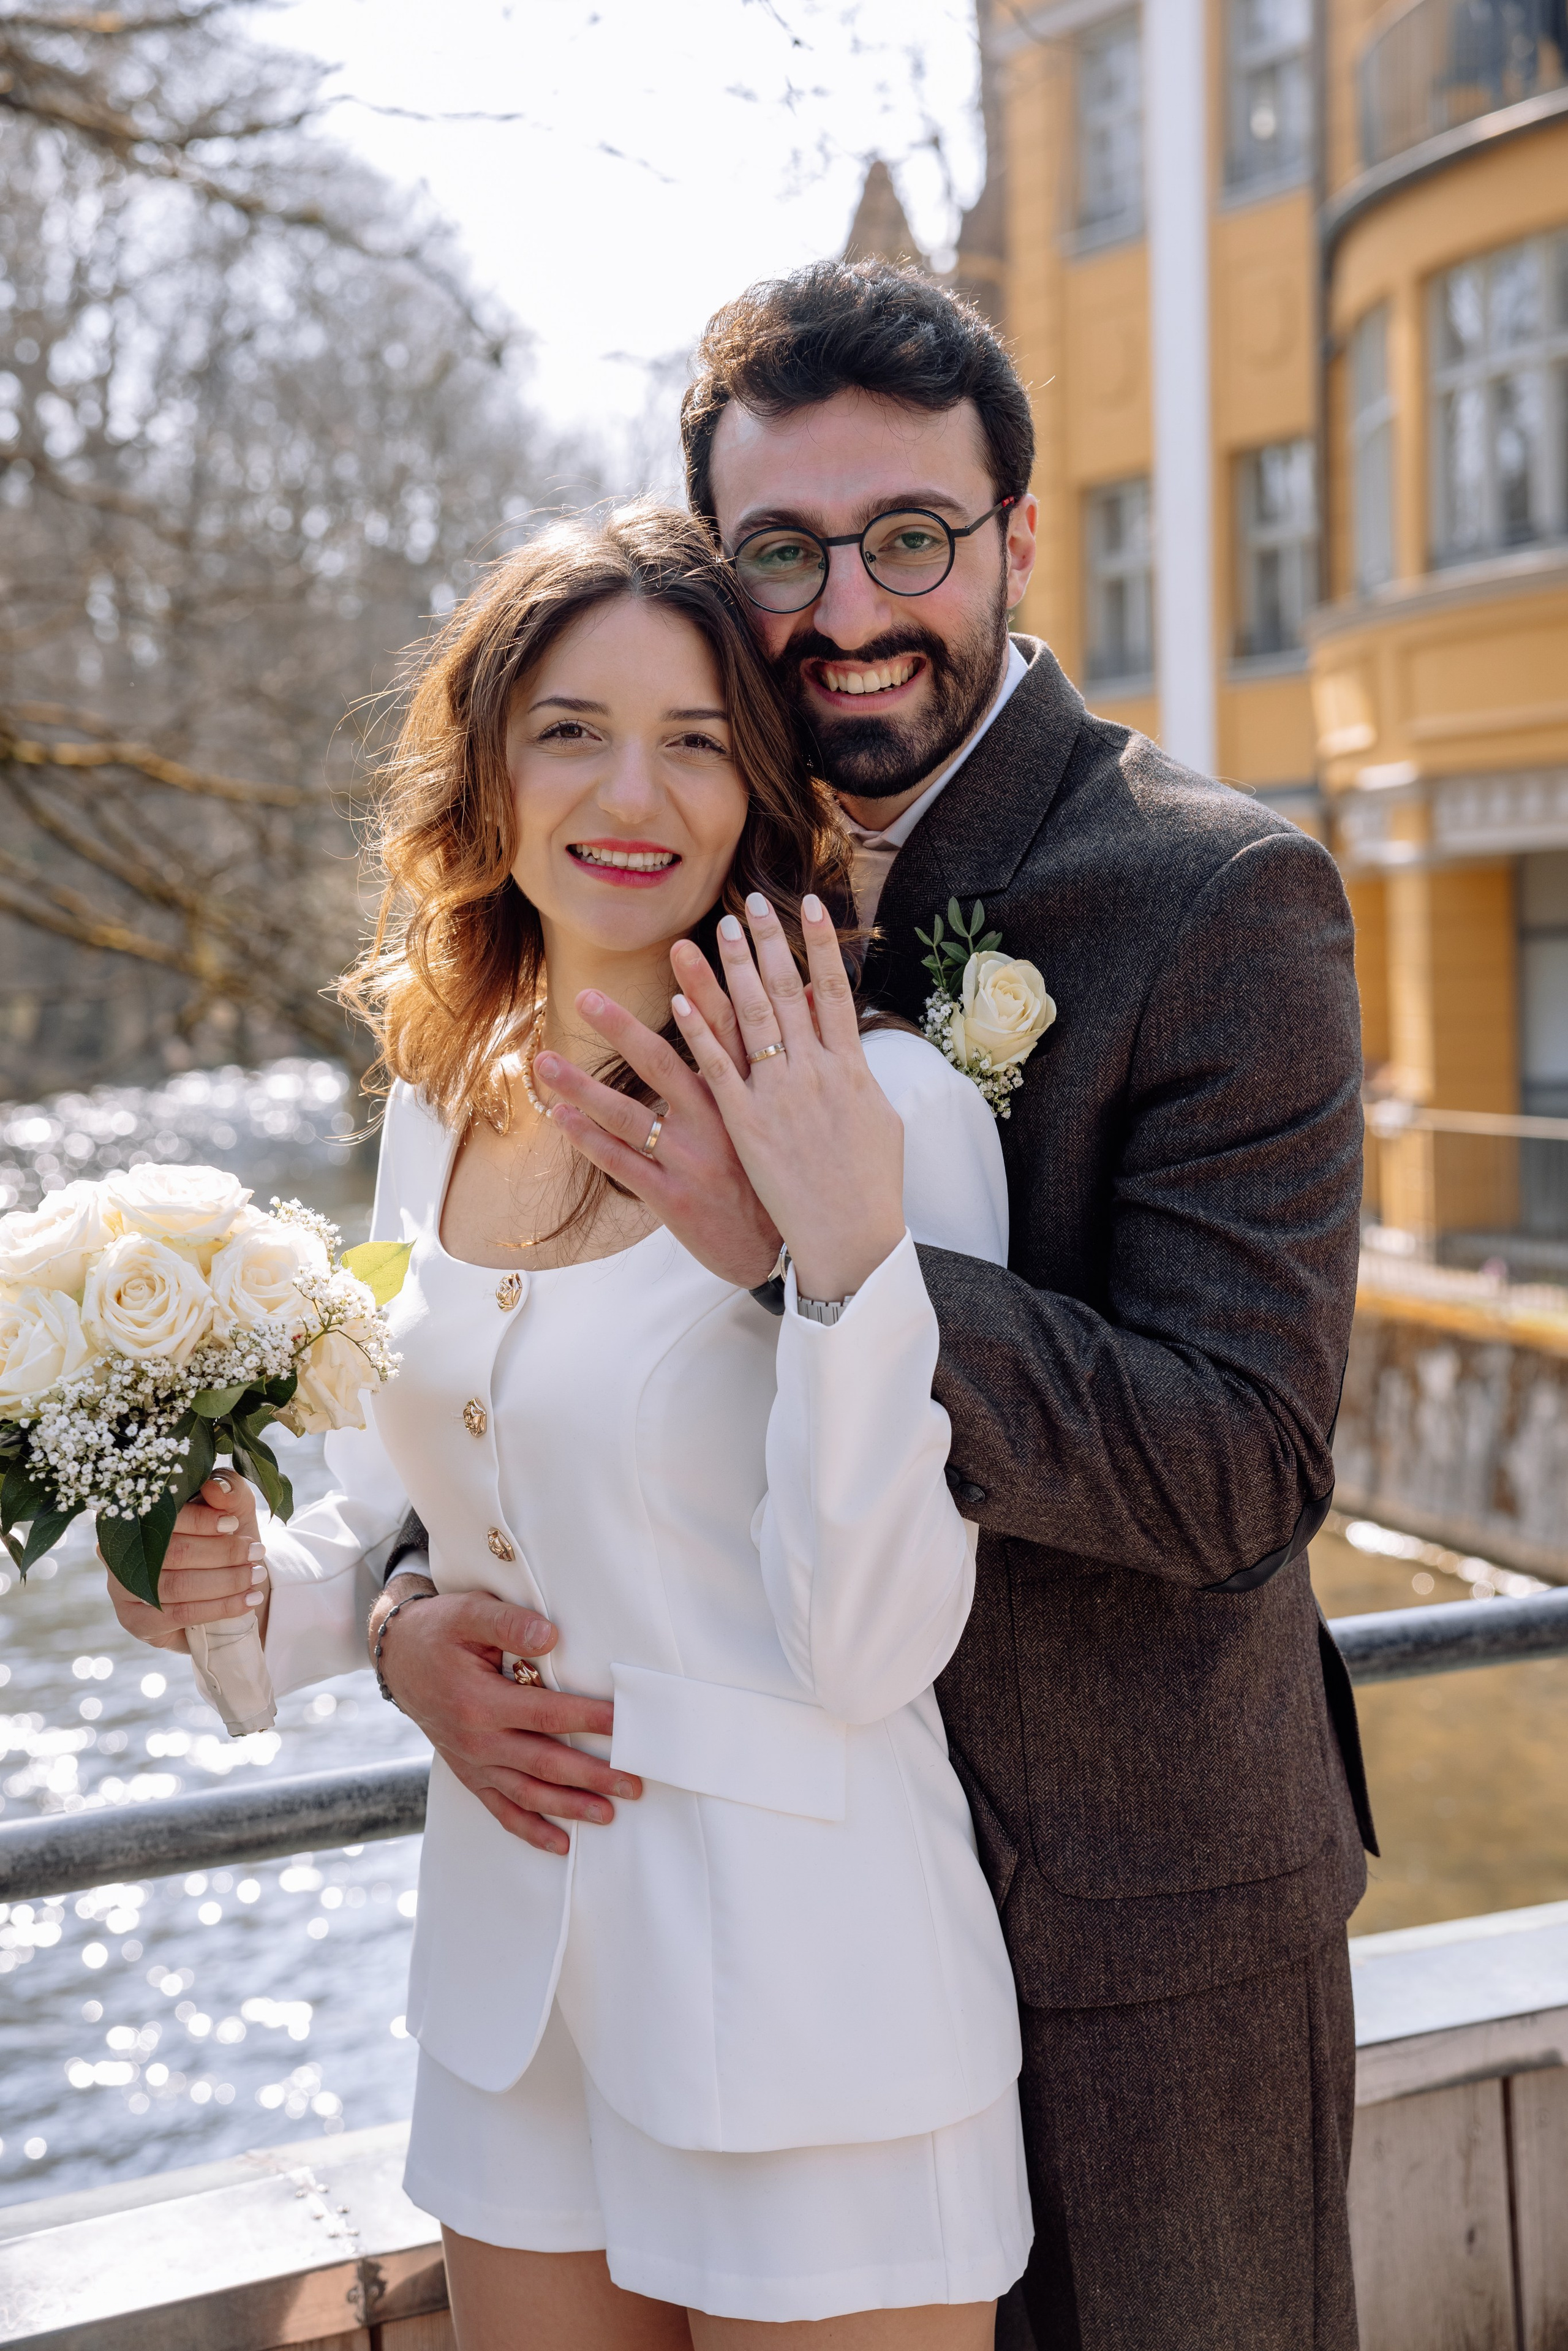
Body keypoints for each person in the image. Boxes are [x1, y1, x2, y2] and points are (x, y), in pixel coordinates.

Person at [349, 265, 1376, 2350]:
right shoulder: (654, 884)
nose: (848, 607)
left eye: (909, 535)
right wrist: (392, 1625)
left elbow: (1242, 1468)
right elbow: (520, 1367)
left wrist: (826, 1263)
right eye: (784, 552)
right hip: (713, 1924)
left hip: (1133, 1919)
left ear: (1012, 536)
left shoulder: (1214, 895)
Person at [110, 502, 1035, 2348]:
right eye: (572, 730)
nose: (637, 792)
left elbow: (876, 1643)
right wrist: (223, 1581)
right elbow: (406, 1516)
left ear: (760, 784)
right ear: (488, 775)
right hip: (513, 1998)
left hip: (812, 2008)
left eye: (697, 739)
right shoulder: (442, 1109)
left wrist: (838, 1263)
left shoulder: (891, 1108)